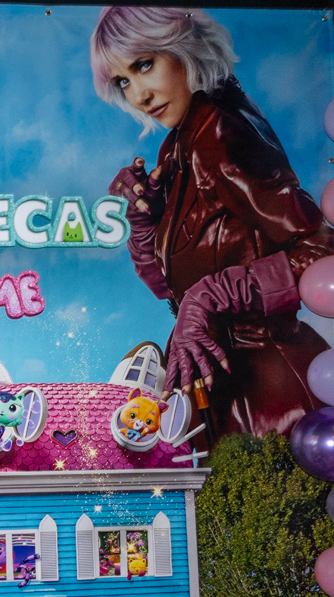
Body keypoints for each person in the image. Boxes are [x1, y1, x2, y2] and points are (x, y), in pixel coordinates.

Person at [91, 6, 332, 438]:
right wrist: (144, 220)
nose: (140, 95)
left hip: (269, 397)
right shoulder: (178, 145)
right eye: (124, 81)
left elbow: (320, 252)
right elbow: (169, 288)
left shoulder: (219, 132)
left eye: (144, 65)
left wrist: (210, 297)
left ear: (181, 45)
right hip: (215, 391)